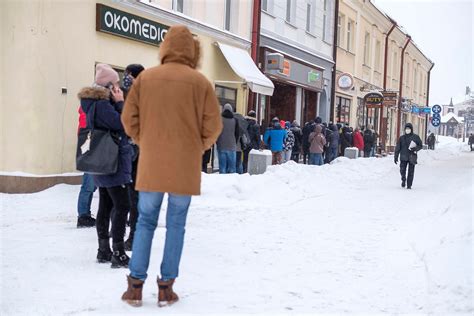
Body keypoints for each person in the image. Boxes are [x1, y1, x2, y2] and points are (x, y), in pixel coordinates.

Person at [121, 25, 222, 307]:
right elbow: (213, 127)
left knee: (145, 222)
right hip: (184, 167)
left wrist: (145, 141)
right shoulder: (200, 83)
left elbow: (129, 119)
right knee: (176, 225)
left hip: (152, 163)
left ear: (165, 47)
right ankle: (166, 288)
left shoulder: (146, 79)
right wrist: (196, 148)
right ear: (192, 51)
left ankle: (135, 288)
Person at [78, 63, 132, 268]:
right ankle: (118, 252)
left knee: (106, 205)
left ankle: (103, 250)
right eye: (116, 84)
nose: (118, 88)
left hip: (104, 161)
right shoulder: (103, 105)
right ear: (109, 86)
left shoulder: (94, 103)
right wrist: (120, 103)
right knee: (123, 205)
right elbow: (123, 124)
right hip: (112, 162)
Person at [122, 64, 145, 252]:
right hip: (128, 152)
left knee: (134, 196)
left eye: (128, 76)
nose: (126, 79)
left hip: (138, 153)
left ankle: (134, 236)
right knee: (126, 195)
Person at [76, 106, 97, 228]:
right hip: (91, 150)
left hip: (92, 149)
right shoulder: (87, 111)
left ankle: (85, 215)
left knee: (90, 185)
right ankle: (83, 216)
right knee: (89, 184)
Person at [394, 123, 423, 189]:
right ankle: (403, 179)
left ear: (411, 129)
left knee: (411, 171)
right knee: (402, 170)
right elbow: (397, 148)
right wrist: (396, 157)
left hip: (412, 156)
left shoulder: (416, 137)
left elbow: (420, 145)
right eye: (406, 129)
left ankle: (409, 184)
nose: (407, 130)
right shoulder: (401, 138)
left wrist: (415, 148)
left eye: (409, 129)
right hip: (403, 156)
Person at [216, 103, 239, 174]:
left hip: (221, 146)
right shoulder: (235, 120)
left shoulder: (219, 119)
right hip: (232, 146)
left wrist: (218, 142)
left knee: (222, 167)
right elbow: (237, 134)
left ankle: (222, 183)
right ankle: (231, 183)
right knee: (232, 168)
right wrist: (234, 142)